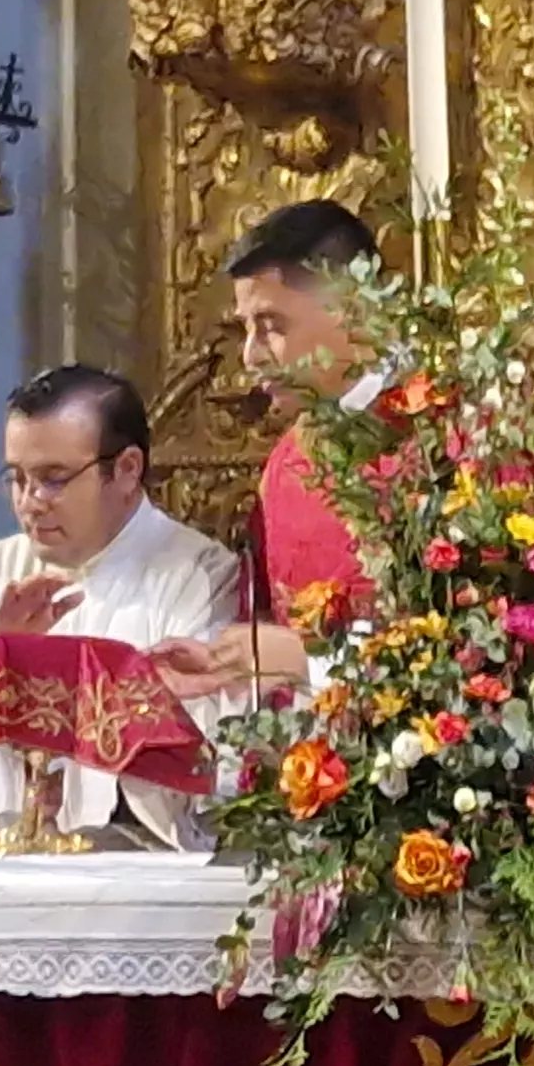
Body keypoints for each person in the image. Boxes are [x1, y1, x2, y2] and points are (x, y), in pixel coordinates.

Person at [0, 366, 244, 849]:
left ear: (126, 470)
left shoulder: (200, 575)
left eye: (53, 479)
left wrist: (92, 788)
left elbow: (214, 751)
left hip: (134, 874)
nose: (30, 503)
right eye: (17, 479)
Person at [150, 200, 387, 704]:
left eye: (272, 326)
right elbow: (266, 633)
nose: (250, 356)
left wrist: (307, 664)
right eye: (246, 329)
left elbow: (479, 650)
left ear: (356, 312)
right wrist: (223, 665)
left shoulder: (450, 443)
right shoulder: (289, 460)